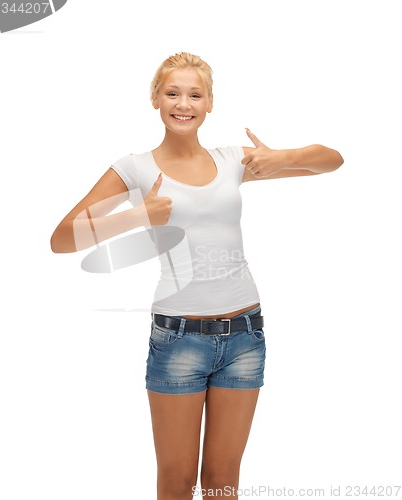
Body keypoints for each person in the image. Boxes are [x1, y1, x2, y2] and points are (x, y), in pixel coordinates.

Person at [50, 52, 343, 499]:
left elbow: (332, 160)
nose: (182, 103)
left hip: (245, 332)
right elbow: (62, 239)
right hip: (179, 337)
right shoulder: (134, 167)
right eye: (172, 93)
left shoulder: (231, 160)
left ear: (209, 104)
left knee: (223, 481)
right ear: (155, 99)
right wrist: (136, 216)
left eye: (194, 94)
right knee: (177, 480)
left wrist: (283, 156)